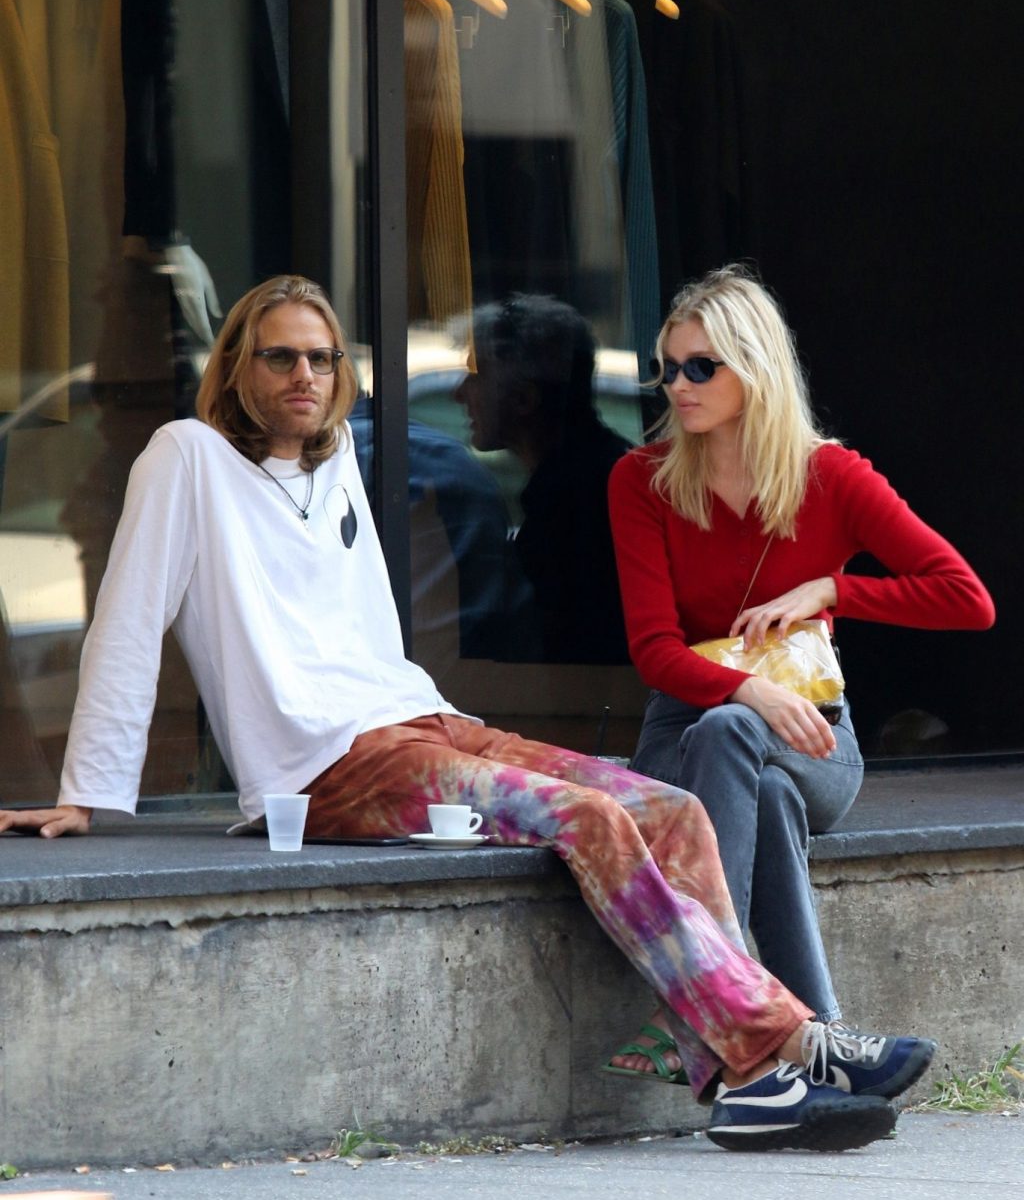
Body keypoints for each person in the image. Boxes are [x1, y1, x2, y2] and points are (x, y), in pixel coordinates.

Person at [0, 274, 936, 1154]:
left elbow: (369, 628)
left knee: (669, 806)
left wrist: (434, 711)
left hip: (419, 720)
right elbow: (128, 616)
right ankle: (783, 1049)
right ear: (237, 365)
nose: (304, 376)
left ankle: (743, 1068)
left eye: (321, 358)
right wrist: (89, 790)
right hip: (329, 765)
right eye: (280, 357)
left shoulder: (335, 461)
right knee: (589, 817)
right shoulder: (186, 456)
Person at [607, 264, 994, 1082]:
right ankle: (824, 1043)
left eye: (701, 366)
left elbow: (968, 599)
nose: (678, 385)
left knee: (769, 763)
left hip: (815, 736)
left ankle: (701, 1008)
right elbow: (654, 651)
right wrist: (749, 690)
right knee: (753, 767)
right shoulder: (642, 481)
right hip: (682, 740)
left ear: (755, 368)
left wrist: (834, 589)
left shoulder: (832, 477)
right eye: (668, 368)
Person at [456, 294, 630, 664]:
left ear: (524, 399)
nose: (459, 394)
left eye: (475, 375)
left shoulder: (577, 506)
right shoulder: (589, 479)